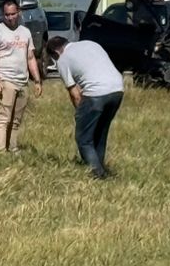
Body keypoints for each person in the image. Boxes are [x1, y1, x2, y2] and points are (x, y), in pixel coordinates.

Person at [47, 35, 125, 180]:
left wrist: (81, 114)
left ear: (55, 53)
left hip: (96, 93)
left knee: (84, 139)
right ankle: (100, 167)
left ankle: (98, 175)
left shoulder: (62, 60)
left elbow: (75, 94)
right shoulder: (90, 43)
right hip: (117, 89)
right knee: (100, 133)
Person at [0, 0, 43, 152]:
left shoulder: (25, 32)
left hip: (22, 81)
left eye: (12, 14)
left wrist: (37, 80)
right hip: (6, 80)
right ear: (2, 14)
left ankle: (13, 147)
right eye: (6, 14)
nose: (10, 17)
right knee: (4, 118)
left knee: (16, 119)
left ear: (19, 12)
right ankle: (0, 151)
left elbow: (30, 57)